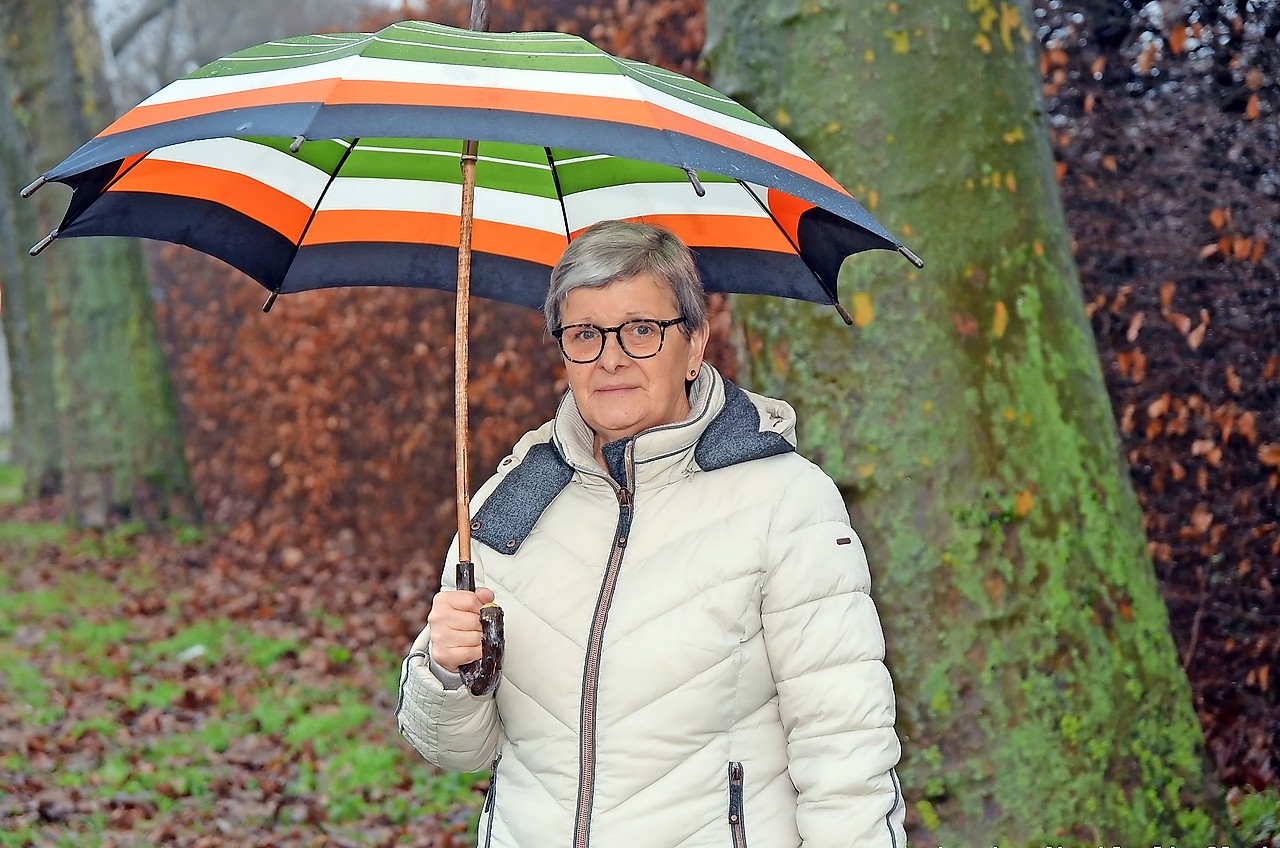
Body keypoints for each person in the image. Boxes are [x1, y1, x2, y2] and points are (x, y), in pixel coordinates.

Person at [396, 220, 905, 848]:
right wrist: (445, 671)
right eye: (585, 334)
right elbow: (456, 748)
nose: (611, 357)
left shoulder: (784, 501)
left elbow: (846, 750)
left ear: (693, 346)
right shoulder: (510, 505)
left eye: (641, 330)